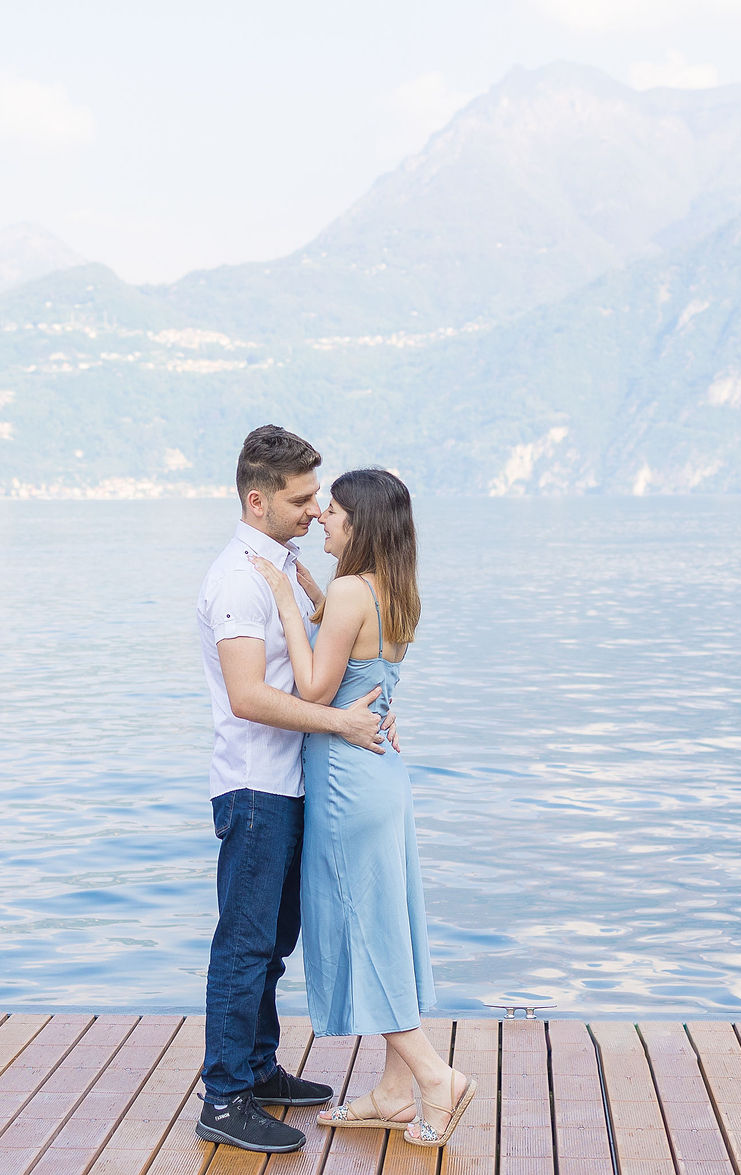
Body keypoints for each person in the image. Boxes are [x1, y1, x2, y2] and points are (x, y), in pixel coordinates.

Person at [247, 466, 475, 1149]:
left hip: (346, 781)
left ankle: (436, 1077)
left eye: (335, 511)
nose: (323, 516)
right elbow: (360, 661)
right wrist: (311, 593)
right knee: (386, 923)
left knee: (364, 929)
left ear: (360, 525)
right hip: (384, 776)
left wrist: (286, 602)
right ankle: (394, 1092)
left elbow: (316, 689)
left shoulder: (348, 591)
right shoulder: (392, 590)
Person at [194, 425, 394, 1154]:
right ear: (258, 498)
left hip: (291, 781)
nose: (316, 509)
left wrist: (367, 697)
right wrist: (339, 723)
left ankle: (257, 1065)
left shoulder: (283, 571)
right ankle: (224, 1095)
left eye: (318, 497)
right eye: (303, 497)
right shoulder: (237, 579)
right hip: (254, 785)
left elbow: (324, 652)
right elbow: (249, 695)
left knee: (275, 940)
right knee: (244, 944)